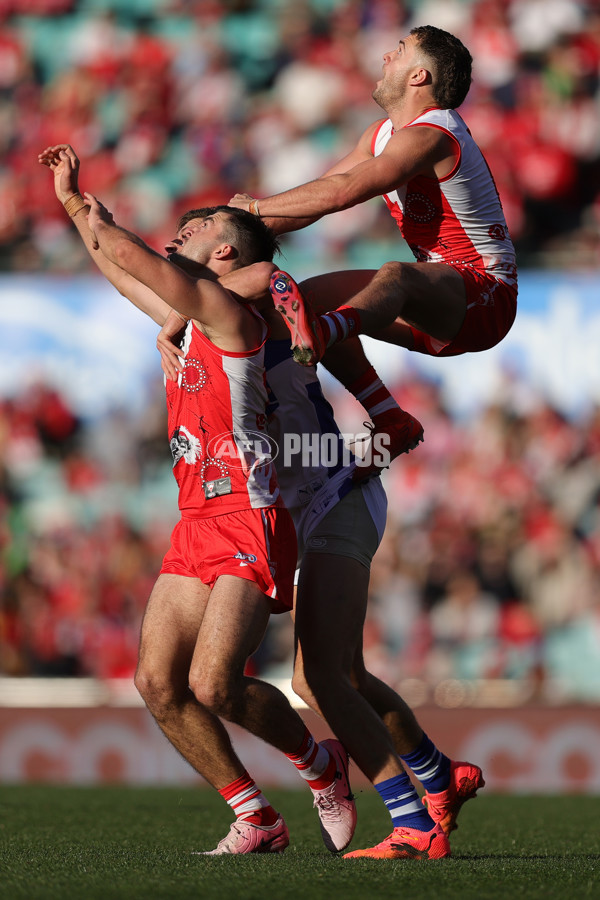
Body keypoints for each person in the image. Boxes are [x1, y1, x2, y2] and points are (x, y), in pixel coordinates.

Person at [38, 144, 357, 857]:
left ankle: (320, 767)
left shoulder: (226, 315)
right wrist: (73, 208)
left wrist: (101, 218)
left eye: (196, 225)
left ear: (227, 249)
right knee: (156, 681)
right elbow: (125, 274)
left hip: (249, 511)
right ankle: (255, 815)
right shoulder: (193, 313)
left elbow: (144, 261)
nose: (180, 231)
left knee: (216, 683)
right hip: (196, 522)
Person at [158, 271, 485, 862]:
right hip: (282, 513)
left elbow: (269, 273)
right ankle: (436, 776)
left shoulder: (270, 306)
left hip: (332, 498)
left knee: (320, 678)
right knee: (343, 675)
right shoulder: (220, 324)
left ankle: (412, 824)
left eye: (196, 233)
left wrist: (382, 423)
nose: (178, 252)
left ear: (227, 251)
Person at [228, 25, 518, 385]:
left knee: (394, 274)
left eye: (398, 50)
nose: (385, 56)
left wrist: (255, 209)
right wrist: (238, 232)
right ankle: (386, 414)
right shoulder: (380, 134)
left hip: (485, 296)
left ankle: (323, 334)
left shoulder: (432, 135)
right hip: (433, 297)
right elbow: (317, 198)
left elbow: (342, 192)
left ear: (419, 75)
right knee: (306, 302)